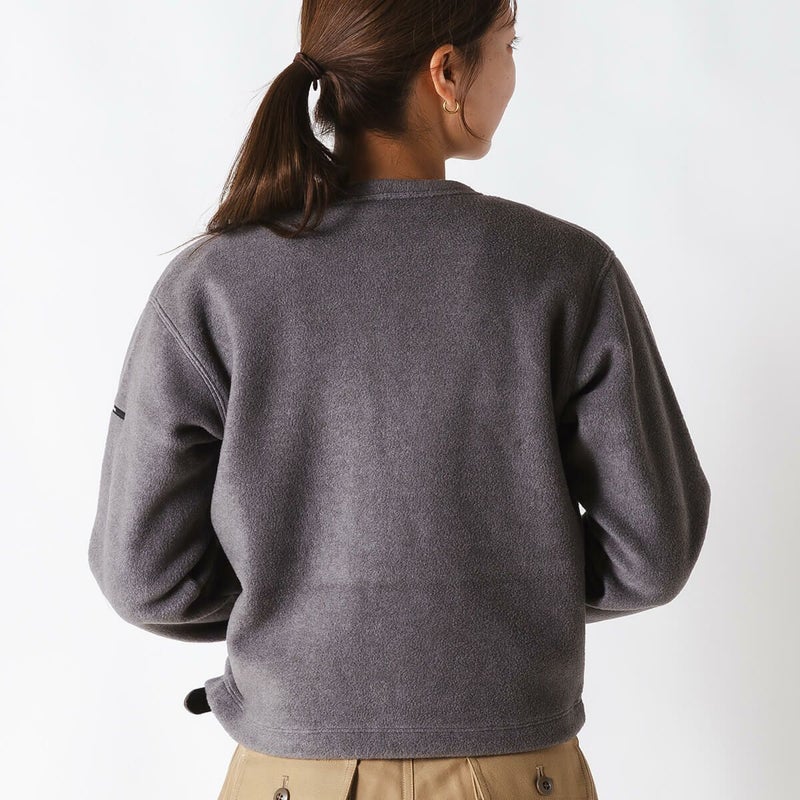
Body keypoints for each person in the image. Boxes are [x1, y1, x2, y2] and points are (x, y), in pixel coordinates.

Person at [87, 1, 711, 798]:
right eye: (508, 43)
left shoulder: (212, 287)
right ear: (446, 72)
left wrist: (305, 601)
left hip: (291, 774)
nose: (513, 69)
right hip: (514, 773)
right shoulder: (563, 272)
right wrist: (509, 586)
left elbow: (142, 574)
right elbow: (651, 554)